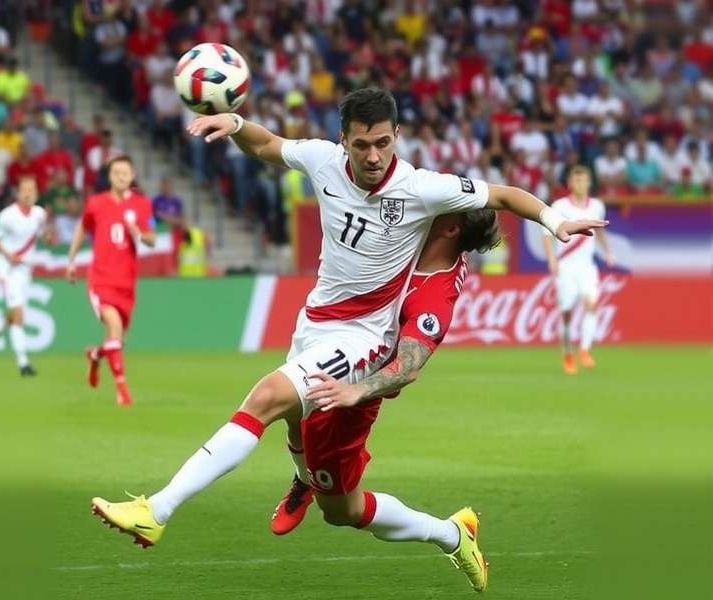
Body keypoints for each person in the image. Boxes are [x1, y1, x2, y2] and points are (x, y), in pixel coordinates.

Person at [89, 89, 604, 593]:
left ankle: (157, 510)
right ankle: (442, 529)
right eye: (362, 145)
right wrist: (238, 124)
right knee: (341, 507)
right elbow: (271, 146)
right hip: (316, 319)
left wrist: (555, 223)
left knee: (267, 397)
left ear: (398, 138)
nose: (374, 156)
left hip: (363, 342)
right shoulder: (323, 160)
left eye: (383, 143)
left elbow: (503, 201)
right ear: (344, 141)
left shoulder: (427, 204)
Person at [269, 209, 500, 543]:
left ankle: (451, 533)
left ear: (451, 229)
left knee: (339, 511)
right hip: (336, 342)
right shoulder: (419, 236)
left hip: (352, 394)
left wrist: (356, 392)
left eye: (445, 204)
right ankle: (303, 478)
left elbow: (408, 367)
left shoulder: (432, 297)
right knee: (288, 403)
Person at [66, 156, 155, 406]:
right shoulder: (96, 203)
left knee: (117, 340)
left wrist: (138, 233)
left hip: (126, 282)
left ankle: (95, 354)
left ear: (132, 174)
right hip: (101, 278)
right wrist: (71, 261)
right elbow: (82, 228)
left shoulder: (142, 204)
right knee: (114, 328)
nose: (121, 176)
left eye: (125, 172)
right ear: (110, 176)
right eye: (116, 172)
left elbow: (152, 239)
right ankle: (122, 389)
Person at [542, 165, 614, 375]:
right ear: (570, 184)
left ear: (589, 183)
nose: (581, 184)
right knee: (567, 313)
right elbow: (546, 233)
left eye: (584, 181)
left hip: (586, 266)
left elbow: (599, 232)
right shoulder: (560, 205)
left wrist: (607, 251)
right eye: (577, 180)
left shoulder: (597, 206)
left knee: (591, 305)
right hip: (566, 266)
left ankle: (584, 350)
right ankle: (567, 353)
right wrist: (552, 260)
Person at [0, 176, 47, 376]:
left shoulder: (39, 214)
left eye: (31, 190)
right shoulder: (7, 216)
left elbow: (44, 236)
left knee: (15, 314)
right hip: (7, 269)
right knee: (18, 316)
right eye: (24, 189)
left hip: (25, 270)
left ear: (36, 193)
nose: (28, 193)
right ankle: (23, 364)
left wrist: (50, 236)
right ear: (18, 192)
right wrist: (10, 255)